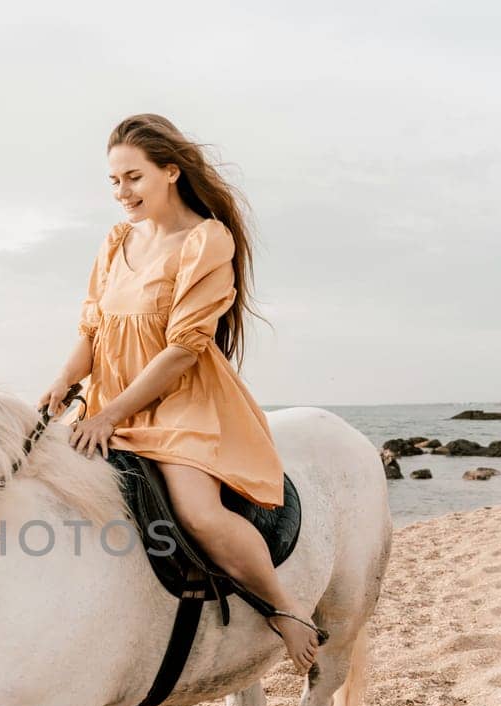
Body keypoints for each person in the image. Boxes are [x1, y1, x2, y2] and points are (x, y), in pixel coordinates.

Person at [38, 113, 321, 673]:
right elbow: (92, 333)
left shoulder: (205, 240)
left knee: (198, 513)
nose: (122, 192)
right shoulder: (117, 240)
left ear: (171, 172)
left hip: (181, 404)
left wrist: (112, 413)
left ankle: (285, 608)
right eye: (114, 181)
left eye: (134, 178)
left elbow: (183, 349)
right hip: (107, 402)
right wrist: (61, 382)